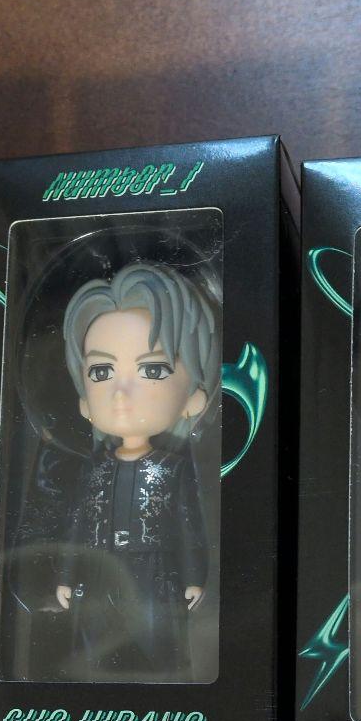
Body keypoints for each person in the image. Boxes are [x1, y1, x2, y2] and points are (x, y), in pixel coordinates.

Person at [55, 261, 220, 681]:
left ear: (194, 398)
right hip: (99, 568)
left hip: (154, 570)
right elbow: (76, 525)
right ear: (84, 400)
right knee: (95, 644)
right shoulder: (94, 470)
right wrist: (66, 576)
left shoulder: (172, 468)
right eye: (101, 372)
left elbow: (188, 524)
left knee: (156, 640)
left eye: (152, 370)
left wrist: (194, 576)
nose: (121, 394)